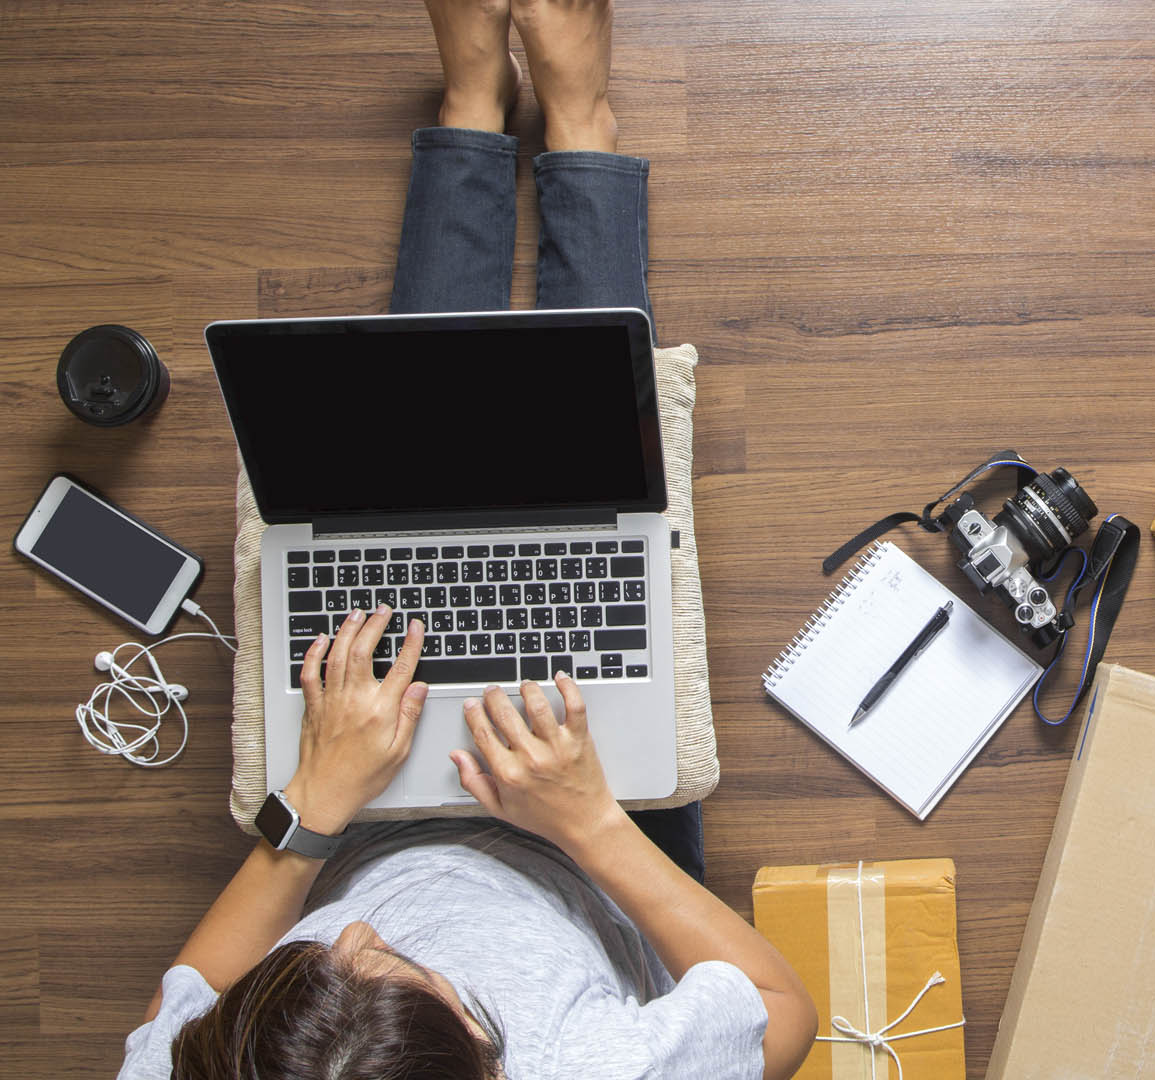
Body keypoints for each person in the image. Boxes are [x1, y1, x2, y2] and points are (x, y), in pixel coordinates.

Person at [115, 2, 818, 1078]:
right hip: (592, 850)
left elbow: (192, 1001)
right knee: (590, 465)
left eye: (310, 965)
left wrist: (310, 814)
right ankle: (580, 124)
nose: (350, 932)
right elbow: (783, 1016)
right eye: (388, 961)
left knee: (403, 475)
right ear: (488, 1054)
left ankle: (472, 113)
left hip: (355, 830)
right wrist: (587, 820)